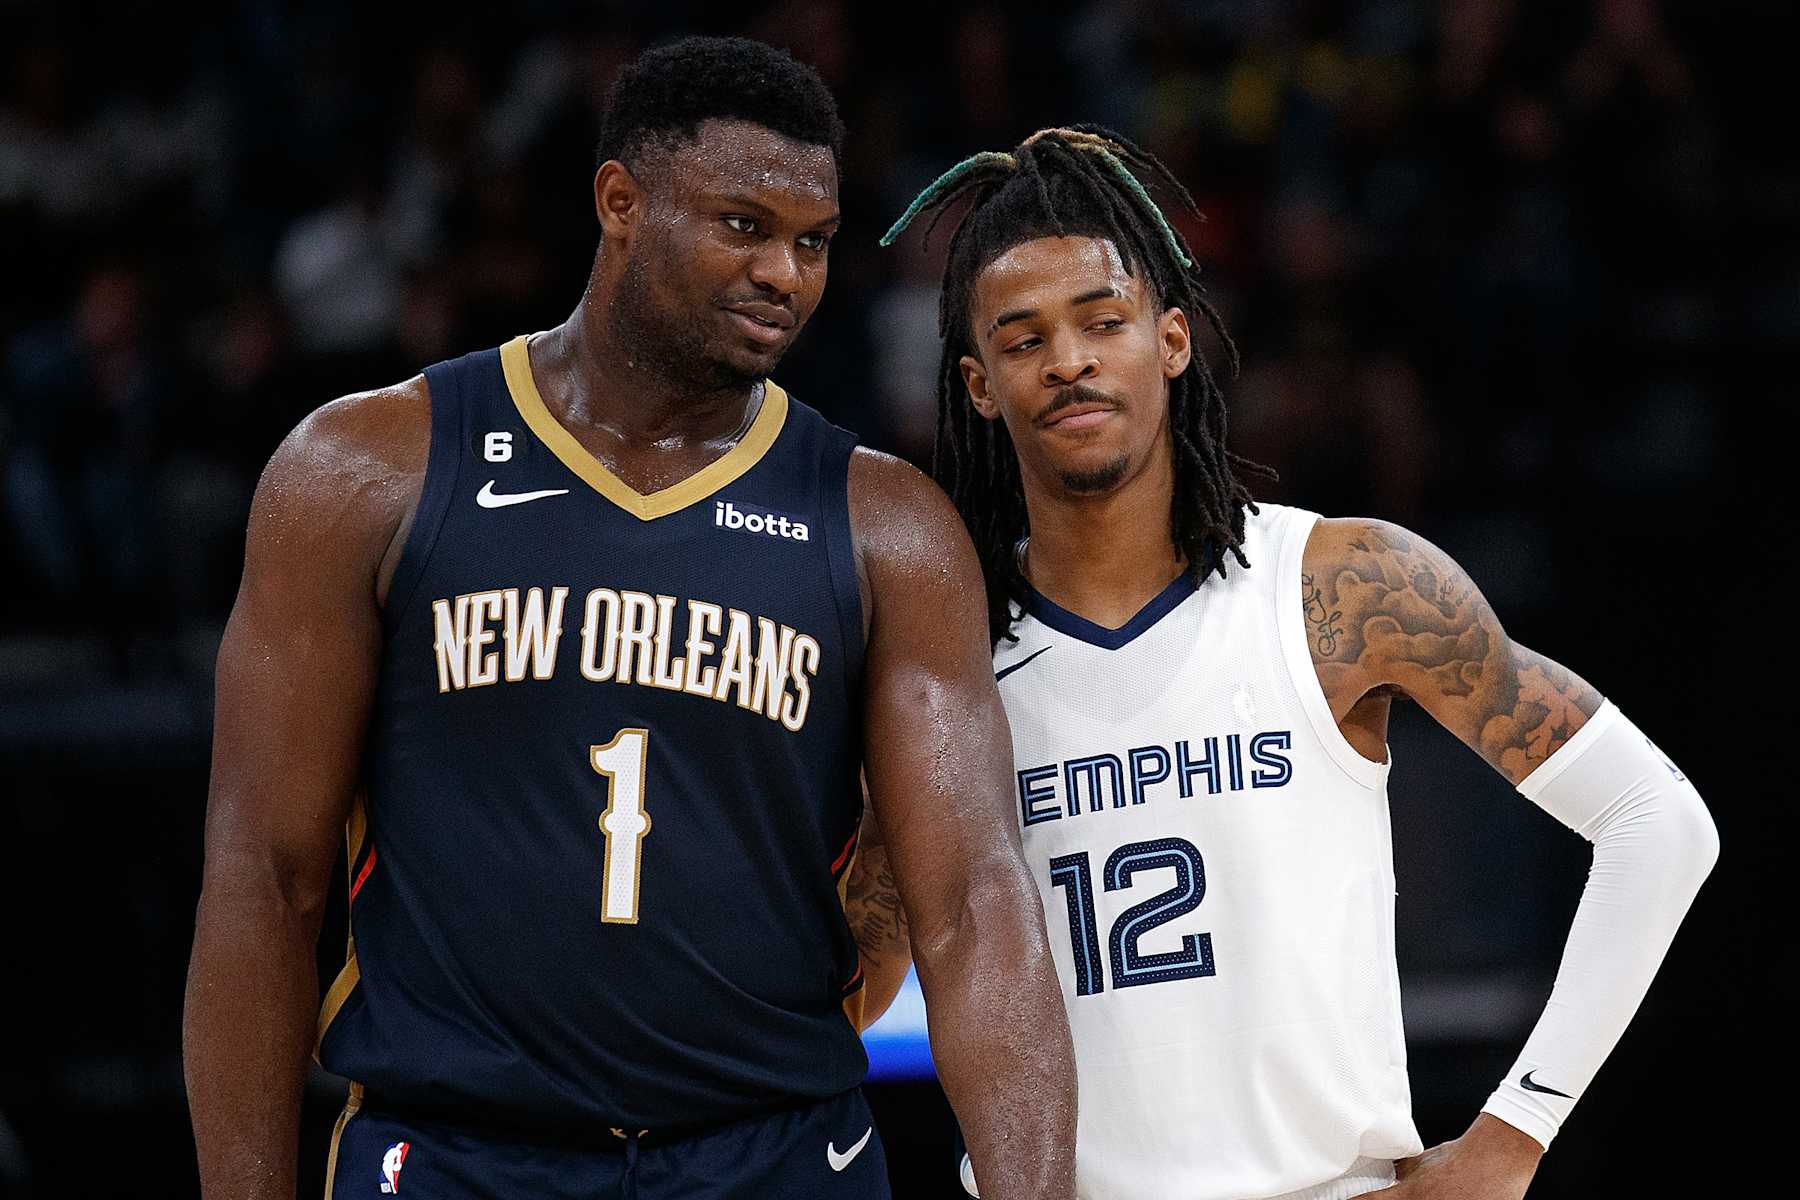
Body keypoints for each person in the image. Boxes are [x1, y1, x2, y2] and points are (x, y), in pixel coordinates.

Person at [183, 38, 1076, 1200]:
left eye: (812, 242)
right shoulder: (368, 470)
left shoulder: (883, 525)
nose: (786, 276)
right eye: (743, 226)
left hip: (776, 1148)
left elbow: (973, 909)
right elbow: (266, 877)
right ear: (619, 200)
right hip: (457, 1150)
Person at [877, 126, 1718, 1200]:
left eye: (1103, 322)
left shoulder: (1344, 588)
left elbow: (1660, 824)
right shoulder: (943, 661)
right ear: (979, 384)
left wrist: (1514, 1137)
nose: (1071, 360)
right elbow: (856, 972)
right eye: (1024, 337)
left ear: (1172, 341)